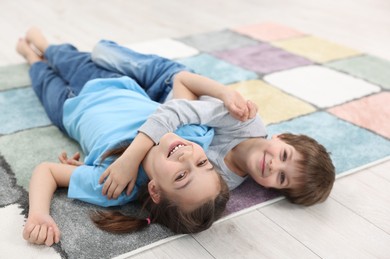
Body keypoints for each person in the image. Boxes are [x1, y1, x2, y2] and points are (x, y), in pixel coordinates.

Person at [16, 27, 243, 246]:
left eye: (181, 176)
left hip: (68, 107)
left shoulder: (116, 188)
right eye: (202, 162)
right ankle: (43, 45)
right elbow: (182, 79)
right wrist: (225, 93)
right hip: (109, 82)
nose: (187, 157)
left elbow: (47, 171)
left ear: (154, 190)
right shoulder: (193, 135)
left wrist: (38, 214)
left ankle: (31, 56)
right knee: (64, 57)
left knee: (41, 76)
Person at [89, 40, 336, 207]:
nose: (273, 165)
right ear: (280, 137)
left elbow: (166, 178)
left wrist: (102, 162)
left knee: (93, 86)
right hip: (169, 84)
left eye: (282, 178)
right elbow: (181, 94)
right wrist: (225, 94)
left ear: (274, 189)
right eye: (283, 155)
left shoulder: (222, 183)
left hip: (146, 113)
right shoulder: (245, 121)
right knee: (100, 53)